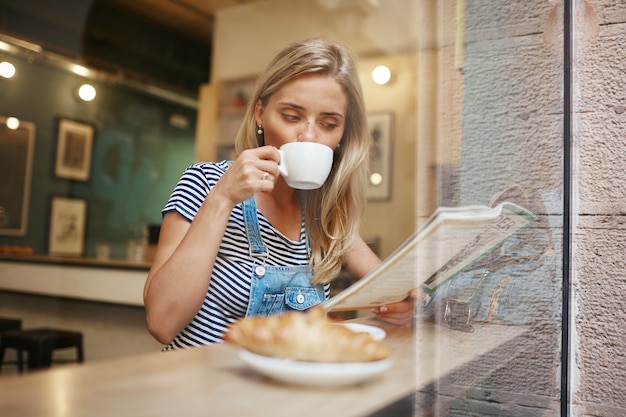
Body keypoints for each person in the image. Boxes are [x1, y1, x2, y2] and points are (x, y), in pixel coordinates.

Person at [143, 38, 416, 349]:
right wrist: (222, 199)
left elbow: (393, 291)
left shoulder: (325, 216)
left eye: (328, 123)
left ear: (343, 135)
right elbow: (161, 322)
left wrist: (403, 304)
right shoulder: (205, 183)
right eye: (292, 116)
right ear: (261, 114)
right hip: (200, 390)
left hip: (282, 393)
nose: (309, 137)